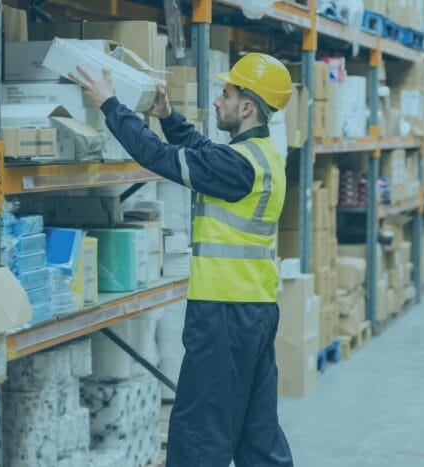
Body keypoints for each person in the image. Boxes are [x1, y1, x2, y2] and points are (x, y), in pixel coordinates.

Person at [68, 53, 294, 466]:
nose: (218, 101)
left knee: (200, 434)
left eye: (226, 94)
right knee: (257, 433)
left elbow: (156, 156)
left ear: (246, 107)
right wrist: (169, 116)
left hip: (224, 314)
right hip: (255, 309)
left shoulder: (237, 166)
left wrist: (110, 104)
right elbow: (203, 151)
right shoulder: (261, 155)